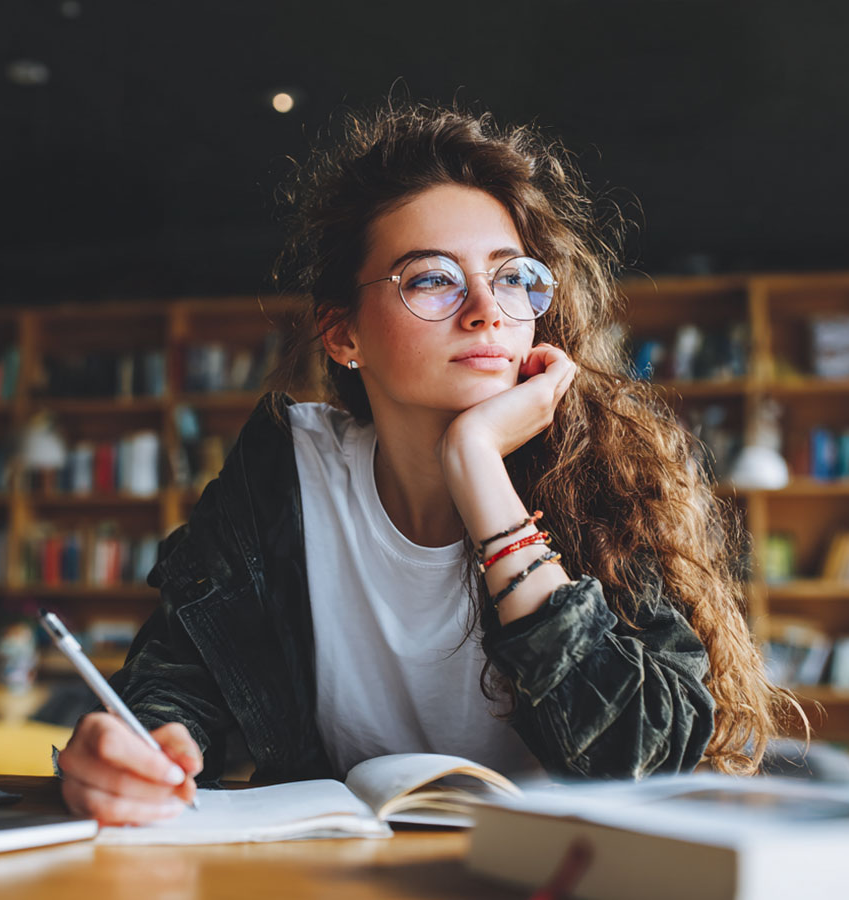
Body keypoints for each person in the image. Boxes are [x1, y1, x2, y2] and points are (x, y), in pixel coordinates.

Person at [55, 101, 796, 825]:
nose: (486, 311)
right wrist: (149, 746)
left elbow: (644, 758)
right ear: (343, 334)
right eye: (433, 278)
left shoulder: (597, 481)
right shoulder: (282, 476)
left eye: (512, 277)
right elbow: (174, 685)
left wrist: (476, 464)